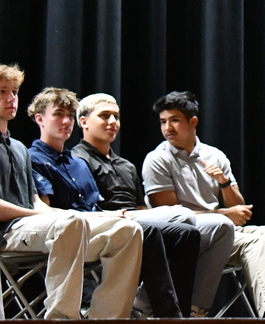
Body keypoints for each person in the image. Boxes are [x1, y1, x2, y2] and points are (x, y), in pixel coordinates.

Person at [27, 88, 200, 318]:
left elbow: (95, 205)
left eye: (70, 115)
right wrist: (108, 216)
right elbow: (48, 213)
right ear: (40, 119)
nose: (67, 121)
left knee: (185, 232)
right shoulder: (35, 157)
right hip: (67, 231)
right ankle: (164, 315)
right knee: (144, 230)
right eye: (59, 115)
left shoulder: (76, 164)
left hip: (100, 224)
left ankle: (165, 311)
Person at [142, 91, 265, 318]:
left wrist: (224, 183)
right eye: (163, 122)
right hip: (198, 237)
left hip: (231, 230)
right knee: (251, 242)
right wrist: (224, 214)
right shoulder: (157, 159)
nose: (168, 128)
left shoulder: (214, 155)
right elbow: (168, 214)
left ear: (192, 122)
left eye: (174, 120)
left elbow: (239, 206)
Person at [72, 92, 236, 318]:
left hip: (138, 219)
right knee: (183, 218)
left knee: (210, 229)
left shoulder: (126, 165)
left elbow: (142, 208)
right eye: (104, 116)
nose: (112, 122)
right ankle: (156, 305)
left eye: (116, 117)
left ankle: (187, 311)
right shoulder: (77, 160)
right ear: (83, 122)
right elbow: (87, 208)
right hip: (109, 222)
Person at [0, 66, 143, 319]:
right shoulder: (33, 153)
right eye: (2, 92)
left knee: (127, 230)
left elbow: (37, 203)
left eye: (14, 92)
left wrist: (102, 217)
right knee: (71, 222)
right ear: (39, 119)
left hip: (31, 225)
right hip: (7, 233)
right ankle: (62, 317)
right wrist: (33, 213)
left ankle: (106, 316)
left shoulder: (18, 148)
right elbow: (28, 209)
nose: (11, 99)